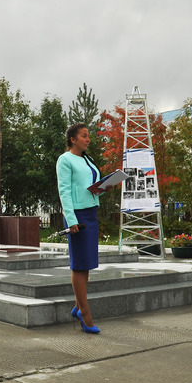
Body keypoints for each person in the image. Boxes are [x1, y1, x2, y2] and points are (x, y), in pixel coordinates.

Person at [56, 123, 105, 333]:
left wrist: (103, 188)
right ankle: (85, 314)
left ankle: (78, 307)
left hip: (91, 212)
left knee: (86, 265)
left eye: (88, 136)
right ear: (73, 139)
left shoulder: (87, 159)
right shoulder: (65, 159)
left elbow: (88, 187)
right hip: (77, 216)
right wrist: (71, 218)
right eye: (84, 136)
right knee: (78, 265)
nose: (88, 139)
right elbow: (65, 191)